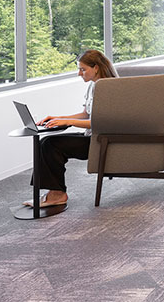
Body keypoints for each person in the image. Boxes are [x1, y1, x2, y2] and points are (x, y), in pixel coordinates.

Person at [26, 49, 117, 208]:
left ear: (96, 68)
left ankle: (57, 194)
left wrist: (68, 122)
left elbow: (100, 121)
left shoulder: (107, 88)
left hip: (99, 141)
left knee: (50, 145)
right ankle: (54, 192)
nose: (79, 74)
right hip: (90, 136)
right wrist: (58, 118)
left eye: (83, 69)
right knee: (46, 142)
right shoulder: (94, 86)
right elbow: (85, 114)